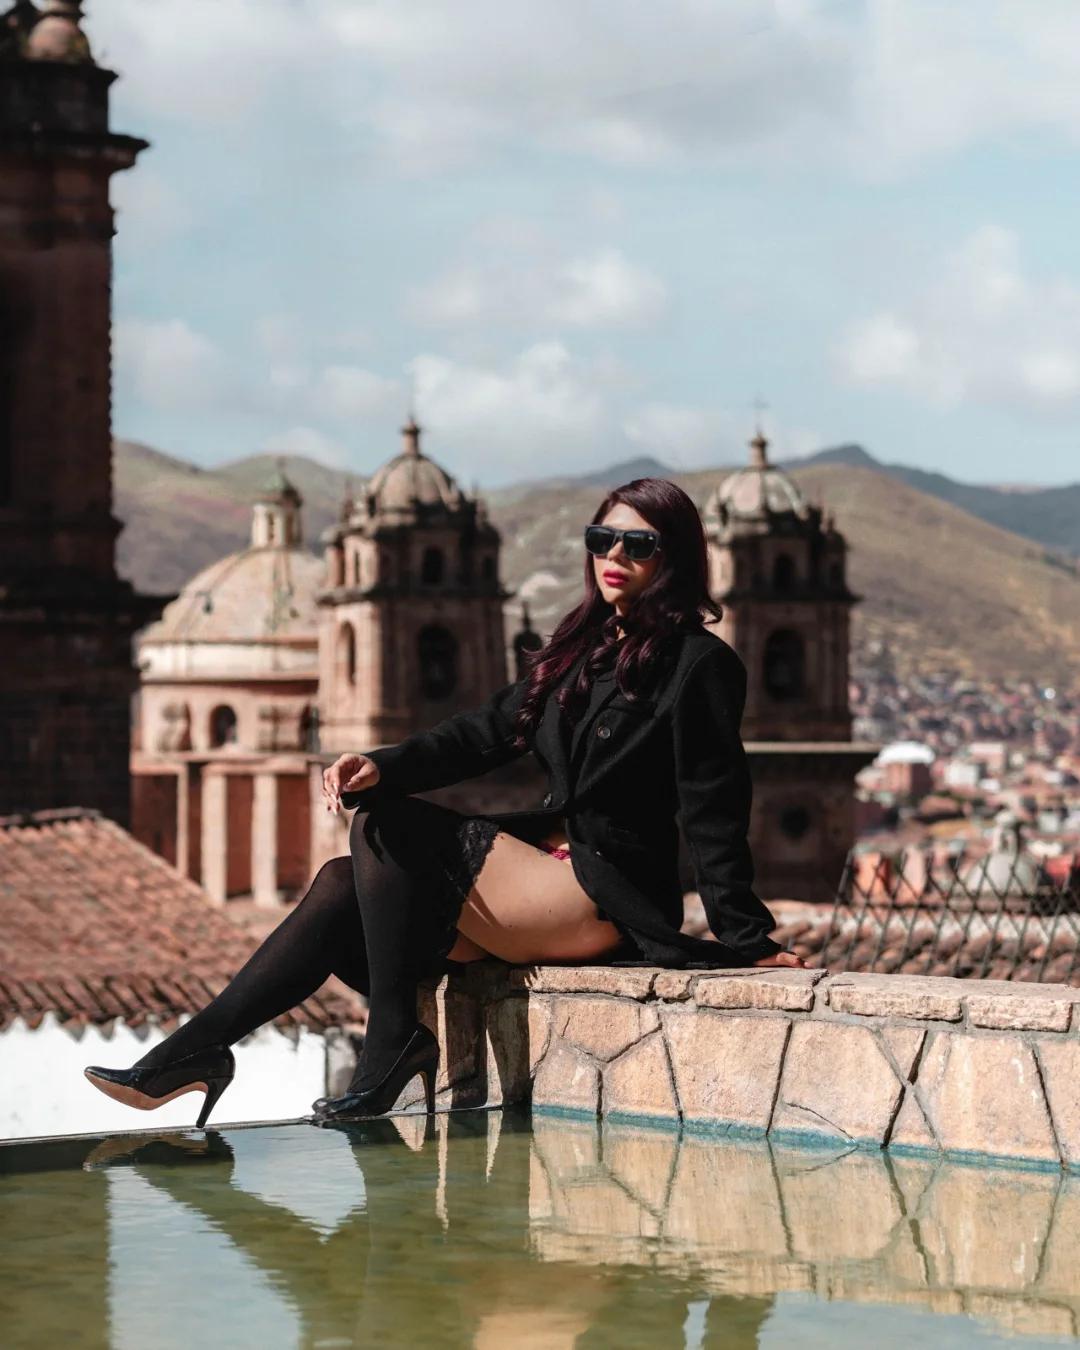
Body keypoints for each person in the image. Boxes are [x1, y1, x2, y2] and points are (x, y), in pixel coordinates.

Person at [84, 477, 806, 1129]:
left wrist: (747, 937)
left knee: (390, 825)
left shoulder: (701, 665)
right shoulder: (581, 650)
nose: (613, 555)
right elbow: (483, 733)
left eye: (637, 544)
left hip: (603, 897)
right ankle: (197, 1050)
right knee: (342, 882)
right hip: (541, 885)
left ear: (674, 558)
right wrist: (382, 764)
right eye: (601, 538)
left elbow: (714, 803)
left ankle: (390, 1043)